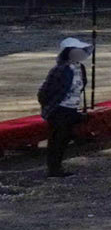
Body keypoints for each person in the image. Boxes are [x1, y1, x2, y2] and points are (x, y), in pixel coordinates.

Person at [37, 37, 91, 178]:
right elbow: (45, 91)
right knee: (58, 139)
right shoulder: (60, 70)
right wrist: (49, 106)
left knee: (64, 137)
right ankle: (54, 169)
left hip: (72, 107)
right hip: (59, 109)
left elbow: (81, 86)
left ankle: (57, 166)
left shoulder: (80, 68)